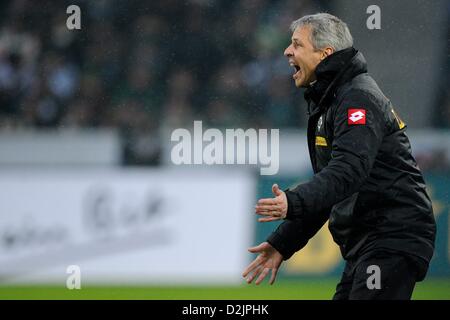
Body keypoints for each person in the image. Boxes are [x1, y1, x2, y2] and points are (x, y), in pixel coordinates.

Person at [242, 13, 436, 300]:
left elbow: (349, 170)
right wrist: (284, 242)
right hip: (370, 243)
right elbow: (331, 187)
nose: (287, 51)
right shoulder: (332, 100)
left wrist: (294, 201)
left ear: (325, 53)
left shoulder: (357, 98)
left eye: (297, 44)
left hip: (391, 238)